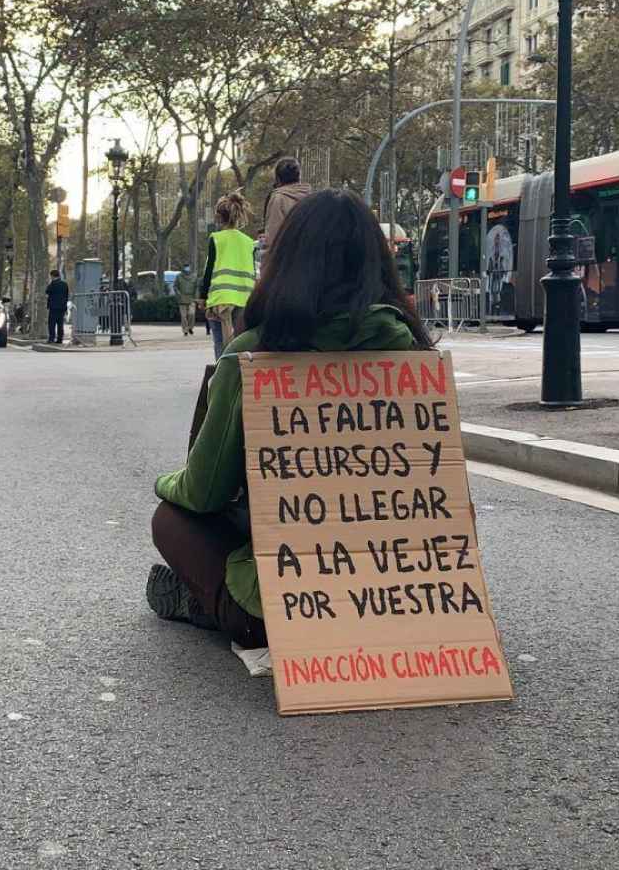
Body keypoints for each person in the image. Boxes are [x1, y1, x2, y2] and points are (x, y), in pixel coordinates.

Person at [146, 189, 434, 648]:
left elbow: (204, 493)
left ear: (286, 265)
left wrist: (165, 483)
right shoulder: (417, 360)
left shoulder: (252, 356)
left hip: (290, 606)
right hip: (405, 599)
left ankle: (211, 604)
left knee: (170, 519)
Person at [201, 190, 256, 358]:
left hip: (221, 299)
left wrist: (202, 297)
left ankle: (223, 377)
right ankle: (240, 377)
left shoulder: (216, 238)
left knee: (221, 343)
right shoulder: (248, 242)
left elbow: (209, 270)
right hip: (245, 299)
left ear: (219, 217)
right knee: (239, 343)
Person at [261, 157, 313, 251]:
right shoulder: (312, 197)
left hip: (287, 258)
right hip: (311, 256)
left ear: (278, 178)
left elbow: (273, 235)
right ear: (299, 176)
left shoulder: (278, 199)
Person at [45, 269, 70, 344]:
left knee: (52, 324)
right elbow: (66, 295)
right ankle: (60, 339)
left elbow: (47, 291)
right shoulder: (64, 284)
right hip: (62, 307)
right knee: (60, 324)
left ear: (52, 276)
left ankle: (51, 338)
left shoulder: (52, 284)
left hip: (53, 307)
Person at [175, 264, 198, 336]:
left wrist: (196, 297)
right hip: (182, 298)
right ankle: (185, 330)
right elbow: (175, 286)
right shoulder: (179, 276)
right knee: (183, 316)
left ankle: (190, 327)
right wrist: (178, 293)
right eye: (185, 267)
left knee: (192, 314)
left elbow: (196, 287)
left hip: (191, 298)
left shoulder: (194, 276)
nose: (187, 269)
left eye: (188, 267)